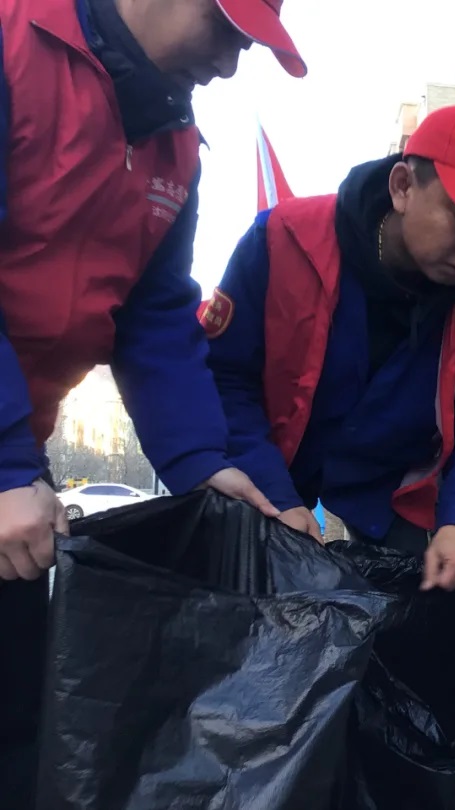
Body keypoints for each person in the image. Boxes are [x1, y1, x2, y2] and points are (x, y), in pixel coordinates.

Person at [0, 0, 305, 802]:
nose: (230, 65)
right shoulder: (13, 46)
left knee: (19, 714)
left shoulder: (175, 144)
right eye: (226, 31)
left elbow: (155, 317)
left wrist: (202, 463)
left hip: (18, 451)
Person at [203, 105, 455, 592]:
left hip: (389, 486)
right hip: (269, 456)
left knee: (421, 609)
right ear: (402, 187)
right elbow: (224, 379)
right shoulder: (284, 241)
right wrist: (276, 496)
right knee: (246, 597)